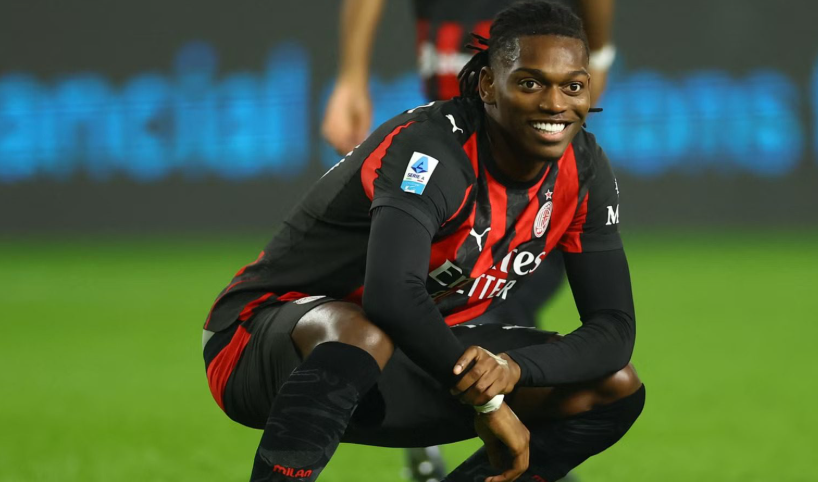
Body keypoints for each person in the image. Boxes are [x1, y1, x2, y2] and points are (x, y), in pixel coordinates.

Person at [203, 2, 644, 481]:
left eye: (572, 86)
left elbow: (614, 328)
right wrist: (490, 401)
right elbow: (391, 296)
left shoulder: (584, 168)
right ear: (488, 85)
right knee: (360, 332)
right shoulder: (433, 149)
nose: (555, 105)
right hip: (257, 343)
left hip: (407, 359)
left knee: (613, 386)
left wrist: (511, 369)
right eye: (530, 83)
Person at [322, 2, 615, 478]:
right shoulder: (439, 132)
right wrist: (351, 76)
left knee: (501, 314)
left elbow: (614, 327)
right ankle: (487, 449)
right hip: (450, 181)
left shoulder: (547, 51)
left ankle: (499, 452)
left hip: (525, 181)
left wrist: (599, 54)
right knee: (433, 308)